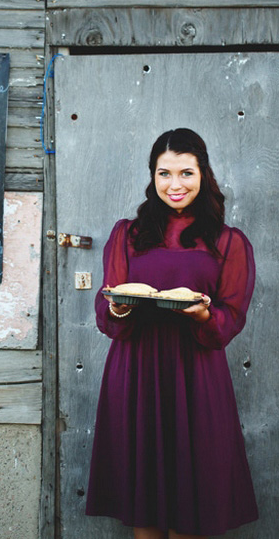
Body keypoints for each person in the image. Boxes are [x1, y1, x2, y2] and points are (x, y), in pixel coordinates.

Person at [85, 128, 258, 539]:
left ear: (203, 175)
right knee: (141, 502)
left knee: (191, 504)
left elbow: (230, 319)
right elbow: (106, 312)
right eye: (164, 174)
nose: (175, 185)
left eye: (186, 173)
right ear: (153, 176)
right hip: (136, 373)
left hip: (198, 375)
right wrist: (118, 304)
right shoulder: (127, 234)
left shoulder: (229, 242)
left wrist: (203, 314)